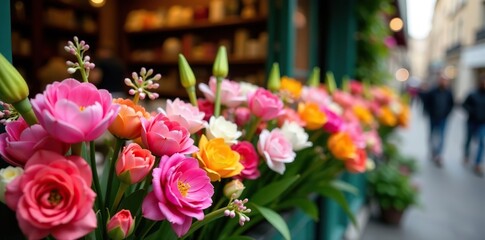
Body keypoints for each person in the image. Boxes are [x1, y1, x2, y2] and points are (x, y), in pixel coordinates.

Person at [421, 75, 454, 167]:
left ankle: (438, 155)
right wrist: (428, 112)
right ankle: (432, 151)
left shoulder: (449, 92)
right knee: (432, 135)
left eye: (445, 81)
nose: (443, 82)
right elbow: (426, 102)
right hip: (433, 117)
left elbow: (451, 104)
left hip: (443, 118)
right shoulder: (432, 91)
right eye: (442, 80)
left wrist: (447, 114)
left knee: (441, 136)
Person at [462, 73, 485, 176]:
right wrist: (472, 111)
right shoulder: (472, 93)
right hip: (472, 121)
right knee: (468, 139)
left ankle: (477, 163)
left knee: (481, 142)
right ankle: (466, 155)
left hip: (482, 123)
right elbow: (464, 104)